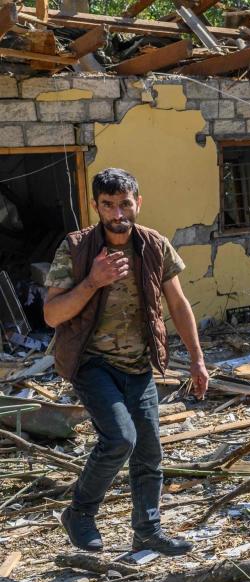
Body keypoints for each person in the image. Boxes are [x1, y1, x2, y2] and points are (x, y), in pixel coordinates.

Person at [44, 168, 209, 555]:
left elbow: (178, 305)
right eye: (108, 205)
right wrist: (92, 281)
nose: (118, 213)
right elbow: (52, 315)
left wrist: (198, 361)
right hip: (91, 362)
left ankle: (147, 531)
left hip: (139, 364)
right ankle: (80, 514)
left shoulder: (154, 245)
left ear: (138, 202)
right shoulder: (77, 248)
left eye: (124, 203)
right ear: (97, 207)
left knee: (150, 452)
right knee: (120, 439)